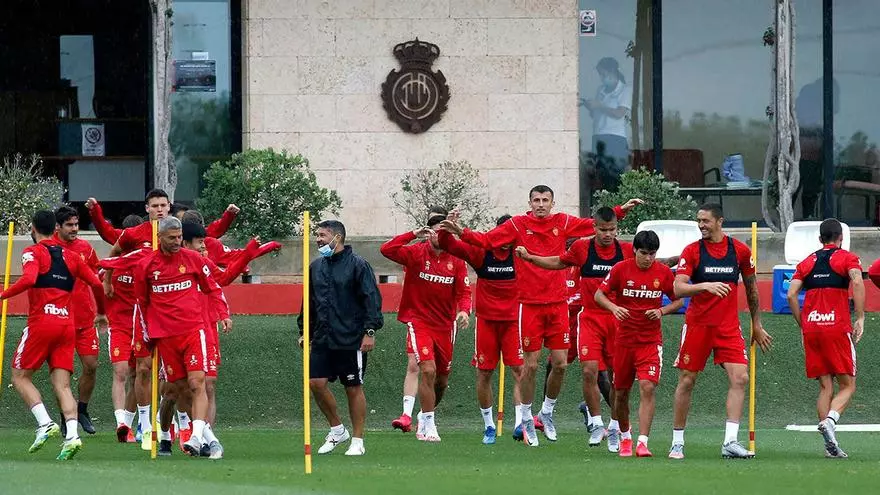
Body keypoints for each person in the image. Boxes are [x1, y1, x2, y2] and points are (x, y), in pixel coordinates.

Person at [441, 186, 642, 446]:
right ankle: (526, 417)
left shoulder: (563, 222)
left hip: (557, 304)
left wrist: (619, 210)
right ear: (530, 203)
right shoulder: (517, 225)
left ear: (552, 203)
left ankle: (546, 412)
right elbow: (487, 240)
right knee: (531, 366)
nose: (540, 204)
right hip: (529, 305)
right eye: (536, 200)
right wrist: (461, 231)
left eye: (545, 200)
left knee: (560, 364)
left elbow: (592, 224)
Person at [514, 206, 632, 451]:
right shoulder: (580, 250)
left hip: (613, 321)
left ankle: (615, 427)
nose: (607, 234)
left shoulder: (625, 251)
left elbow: (649, 267)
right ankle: (583, 421)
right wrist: (530, 258)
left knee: (613, 378)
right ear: (593, 228)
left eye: (612, 229)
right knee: (582, 370)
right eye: (603, 229)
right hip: (584, 320)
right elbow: (557, 262)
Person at [669, 203, 773, 460]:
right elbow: (678, 288)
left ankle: (730, 442)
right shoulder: (692, 251)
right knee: (687, 380)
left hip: (728, 326)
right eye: (699, 221)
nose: (701, 225)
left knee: (740, 378)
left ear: (719, 221)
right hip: (698, 325)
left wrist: (756, 324)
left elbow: (752, 288)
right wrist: (704, 286)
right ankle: (677, 442)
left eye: (705, 221)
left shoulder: (740, 251)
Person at [1, 210, 104, 460]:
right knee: (63, 384)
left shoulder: (32, 252)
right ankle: (72, 436)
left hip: (42, 322)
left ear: (33, 229)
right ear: (55, 228)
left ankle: (45, 423)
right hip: (66, 324)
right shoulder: (72, 257)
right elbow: (97, 284)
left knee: (20, 376)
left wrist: (3, 295)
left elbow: (29, 279)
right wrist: (101, 312)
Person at [133, 216, 227, 458]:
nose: (177, 242)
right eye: (172, 238)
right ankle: (166, 434)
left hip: (193, 331)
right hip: (165, 337)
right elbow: (142, 304)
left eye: (179, 237)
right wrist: (146, 337)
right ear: (159, 237)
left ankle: (197, 438)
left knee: (197, 383)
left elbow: (213, 287)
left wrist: (224, 314)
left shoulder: (194, 259)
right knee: (174, 391)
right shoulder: (146, 266)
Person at [381, 208, 471, 442]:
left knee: (441, 380)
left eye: (445, 232)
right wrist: (412, 234)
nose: (440, 236)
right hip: (418, 321)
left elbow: (464, 292)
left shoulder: (457, 260)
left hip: (445, 326)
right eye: (436, 231)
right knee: (427, 369)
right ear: (429, 233)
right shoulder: (415, 253)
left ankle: (424, 414)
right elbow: (386, 249)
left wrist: (464, 311)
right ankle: (428, 424)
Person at [436, 214, 524, 444]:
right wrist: (447, 228)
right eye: (501, 233)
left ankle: (520, 424)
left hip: (513, 322)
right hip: (487, 322)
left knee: (520, 371)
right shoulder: (481, 252)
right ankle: (489, 426)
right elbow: (447, 244)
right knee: (484, 373)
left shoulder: (521, 254)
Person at [298, 220, 384, 456]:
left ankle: (358, 440)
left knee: (352, 387)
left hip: (350, 337)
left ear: (337, 237)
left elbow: (371, 299)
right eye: (317, 235)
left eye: (322, 235)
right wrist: (304, 330)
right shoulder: (316, 267)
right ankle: (337, 429)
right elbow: (309, 302)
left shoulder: (358, 265)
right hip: (322, 337)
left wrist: (369, 331)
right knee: (316, 383)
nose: (318, 240)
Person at [595, 230, 683, 457]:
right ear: (634, 250)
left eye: (652, 254)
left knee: (647, 386)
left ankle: (643, 442)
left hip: (650, 342)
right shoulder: (620, 269)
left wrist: (661, 311)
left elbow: (679, 301)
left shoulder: (663, 273)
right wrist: (614, 308)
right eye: (644, 253)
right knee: (621, 392)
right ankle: (625, 437)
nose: (648, 258)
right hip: (624, 341)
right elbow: (599, 295)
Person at [786, 218, 864, 458]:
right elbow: (857, 281)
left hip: (812, 328)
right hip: (835, 326)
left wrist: (803, 324)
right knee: (848, 385)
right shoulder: (847, 258)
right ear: (841, 238)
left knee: (825, 386)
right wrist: (860, 317)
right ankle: (830, 421)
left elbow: (791, 294)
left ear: (820, 239)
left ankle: (829, 445)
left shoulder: (807, 262)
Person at [50, 206, 107, 435]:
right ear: (57, 226)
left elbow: (97, 275)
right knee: (62, 373)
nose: (75, 229)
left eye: (76, 224)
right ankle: (66, 416)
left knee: (91, 366)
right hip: (59, 321)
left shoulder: (85, 248)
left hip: (85, 320)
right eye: (70, 225)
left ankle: (82, 410)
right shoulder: (49, 249)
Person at [583, 57, 632, 192]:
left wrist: (600, 105)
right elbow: (596, 114)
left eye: (603, 74)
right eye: (600, 74)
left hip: (615, 138)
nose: (602, 77)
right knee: (600, 174)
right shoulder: (601, 90)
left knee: (616, 176)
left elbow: (619, 113)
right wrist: (591, 107)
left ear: (612, 71)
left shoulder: (625, 90)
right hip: (598, 136)